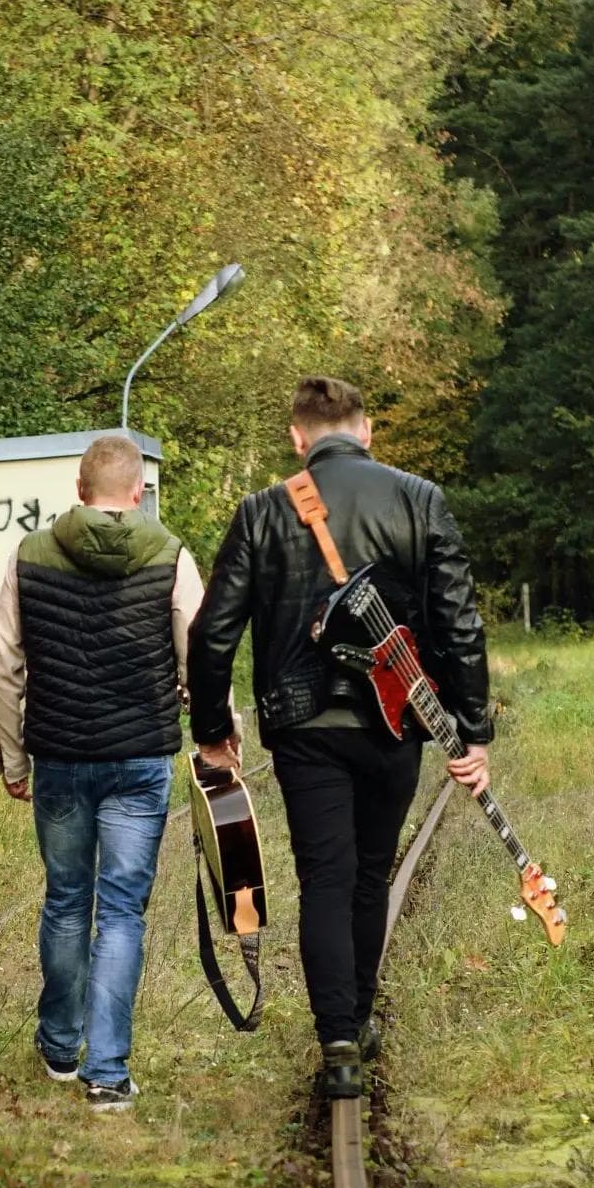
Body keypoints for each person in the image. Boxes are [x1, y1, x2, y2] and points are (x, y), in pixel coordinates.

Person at [186, 376, 491, 1099]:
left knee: (325, 875)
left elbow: (211, 633)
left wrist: (213, 733)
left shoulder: (262, 512)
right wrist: (471, 728)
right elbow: (459, 620)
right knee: (370, 874)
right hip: (396, 720)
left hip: (303, 727)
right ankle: (356, 1013)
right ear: (368, 430)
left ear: (298, 438)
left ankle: (339, 1041)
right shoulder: (420, 499)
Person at [0, 434, 206, 1112]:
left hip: (59, 756)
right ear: (138, 493)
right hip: (139, 759)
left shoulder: (31, 553)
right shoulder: (171, 555)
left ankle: (59, 1046)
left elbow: (1, 666)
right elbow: (200, 657)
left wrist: (12, 757)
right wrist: (216, 739)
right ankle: (107, 1071)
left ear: (80, 491)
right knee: (122, 913)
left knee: (66, 900)